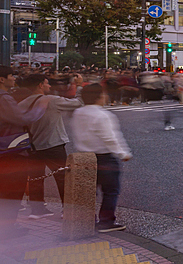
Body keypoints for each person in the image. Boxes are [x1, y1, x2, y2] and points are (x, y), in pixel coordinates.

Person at [70, 83, 132, 232]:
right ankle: (106, 221)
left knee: (88, 191)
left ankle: (86, 220)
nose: (105, 96)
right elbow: (110, 138)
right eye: (103, 94)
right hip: (104, 158)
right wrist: (123, 153)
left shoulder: (78, 113)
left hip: (83, 157)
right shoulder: (103, 115)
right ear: (98, 97)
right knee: (110, 190)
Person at [18, 74, 82, 218]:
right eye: (47, 84)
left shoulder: (22, 104)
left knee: (35, 178)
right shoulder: (51, 100)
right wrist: (79, 86)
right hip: (53, 145)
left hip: (33, 147)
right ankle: (67, 209)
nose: (50, 86)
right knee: (62, 177)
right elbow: (78, 103)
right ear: (40, 85)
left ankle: (37, 210)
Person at [0, 66, 47, 237]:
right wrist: (40, 108)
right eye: (11, 75)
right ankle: (7, 228)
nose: (14, 78)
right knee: (12, 189)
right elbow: (21, 118)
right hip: (10, 150)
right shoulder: (3, 97)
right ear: (2, 79)